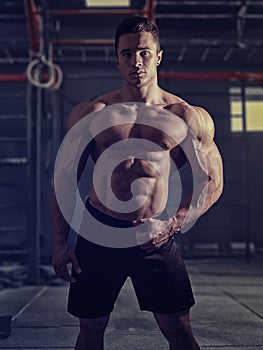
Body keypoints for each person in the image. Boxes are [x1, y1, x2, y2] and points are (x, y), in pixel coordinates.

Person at [51, 16, 223, 350]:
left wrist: (173, 223)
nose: (136, 62)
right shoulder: (92, 113)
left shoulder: (186, 116)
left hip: (154, 236)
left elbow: (212, 180)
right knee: (91, 328)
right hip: (98, 232)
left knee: (177, 328)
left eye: (144, 53)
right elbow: (63, 177)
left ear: (158, 56)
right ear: (116, 58)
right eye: (127, 54)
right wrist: (60, 242)